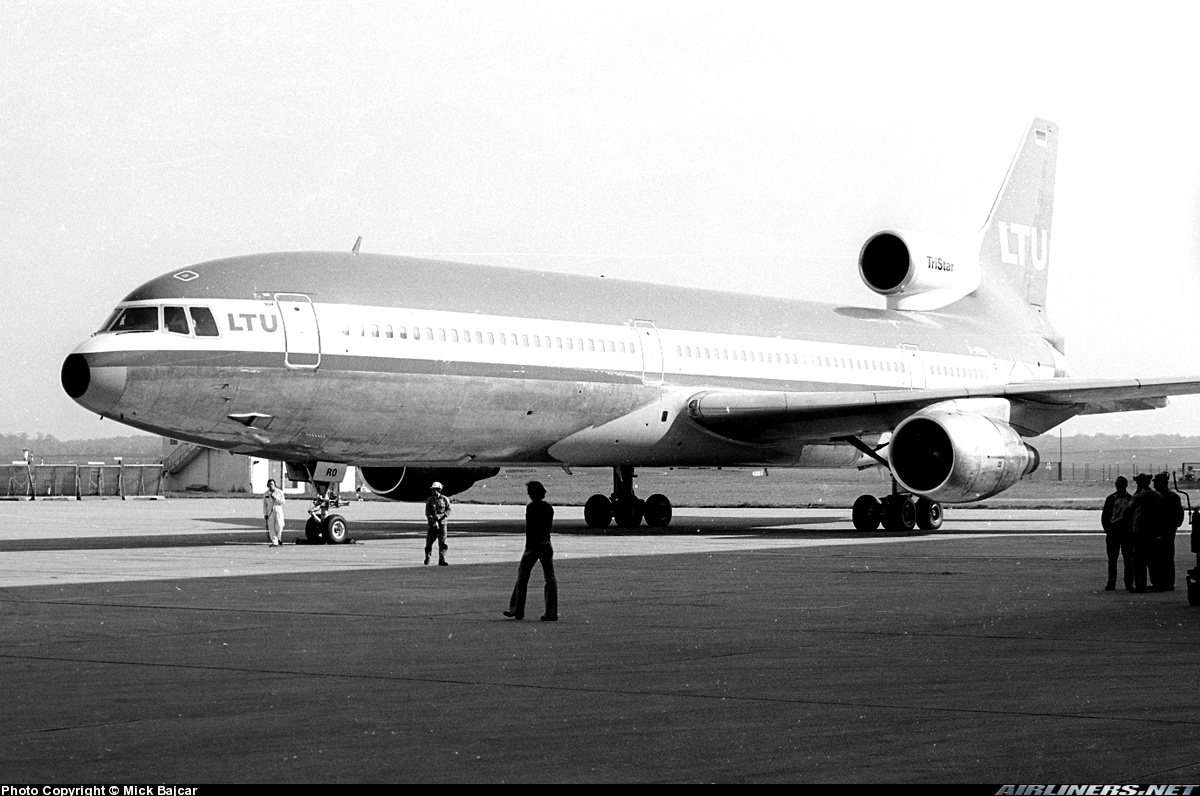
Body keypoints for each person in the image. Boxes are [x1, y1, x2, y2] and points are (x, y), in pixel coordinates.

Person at [504, 481, 558, 621]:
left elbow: (531, 529)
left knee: (522, 577)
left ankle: (517, 609)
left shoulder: (531, 508)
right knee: (550, 578)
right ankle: (551, 612)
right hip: (546, 543)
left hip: (533, 545)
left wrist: (528, 548)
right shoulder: (549, 508)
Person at [1150, 472, 1184, 591]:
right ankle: (1159, 583)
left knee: (1166, 558)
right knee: (1158, 558)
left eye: (1156, 482)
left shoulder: (1170, 496)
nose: (1154, 485)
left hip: (1166, 531)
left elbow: (1177, 516)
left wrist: (1169, 530)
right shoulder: (1160, 495)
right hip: (1159, 530)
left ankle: (1166, 583)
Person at [1128, 473, 1161, 592]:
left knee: (1139, 560)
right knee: (1153, 560)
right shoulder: (1157, 495)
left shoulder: (1139, 496)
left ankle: (1140, 585)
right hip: (1154, 530)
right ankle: (1157, 583)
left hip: (1140, 531)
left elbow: (1129, 509)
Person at [1100, 476, 1133, 591]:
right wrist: (1108, 530)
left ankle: (1128, 583)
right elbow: (1105, 516)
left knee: (1127, 560)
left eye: (1121, 485)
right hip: (1114, 531)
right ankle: (1112, 583)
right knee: (1113, 560)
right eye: (1118, 485)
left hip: (1125, 531)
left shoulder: (1130, 499)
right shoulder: (1111, 499)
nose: (1119, 487)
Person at [424, 481, 451, 566]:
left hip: (442, 524)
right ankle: (427, 557)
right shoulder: (429, 500)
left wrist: (441, 516)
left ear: (439, 490)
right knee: (429, 542)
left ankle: (442, 560)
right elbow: (427, 512)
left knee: (442, 543)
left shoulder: (444, 499)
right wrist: (432, 519)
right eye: (432, 490)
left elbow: (448, 510)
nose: (433, 491)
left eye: (435, 490)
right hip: (432, 524)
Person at [263, 478, 285, 547]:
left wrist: (275, 498)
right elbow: (264, 505)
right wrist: (265, 514)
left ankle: (279, 538)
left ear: (275, 485)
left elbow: (282, 502)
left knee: (279, 525)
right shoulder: (266, 494)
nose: (270, 486)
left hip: (278, 510)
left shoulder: (280, 492)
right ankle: (274, 542)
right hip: (270, 512)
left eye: (272, 484)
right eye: (269, 485)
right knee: (271, 527)